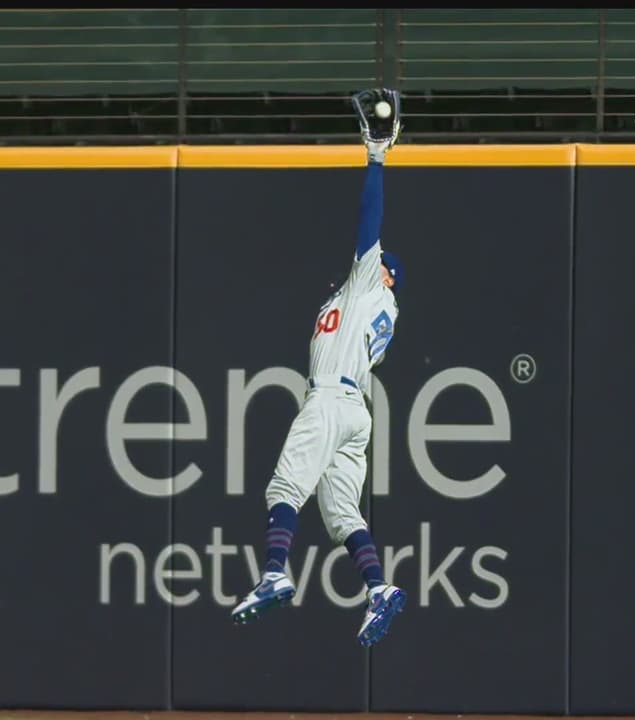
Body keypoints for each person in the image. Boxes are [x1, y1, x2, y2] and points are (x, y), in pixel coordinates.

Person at [231, 89, 406, 647]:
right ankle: (378, 588)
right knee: (341, 514)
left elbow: (369, 222)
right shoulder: (370, 307)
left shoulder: (371, 287)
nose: (371, 262)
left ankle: (274, 574)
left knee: (284, 485)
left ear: (385, 274)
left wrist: (375, 158)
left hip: (331, 398)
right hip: (356, 410)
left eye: (379, 264)